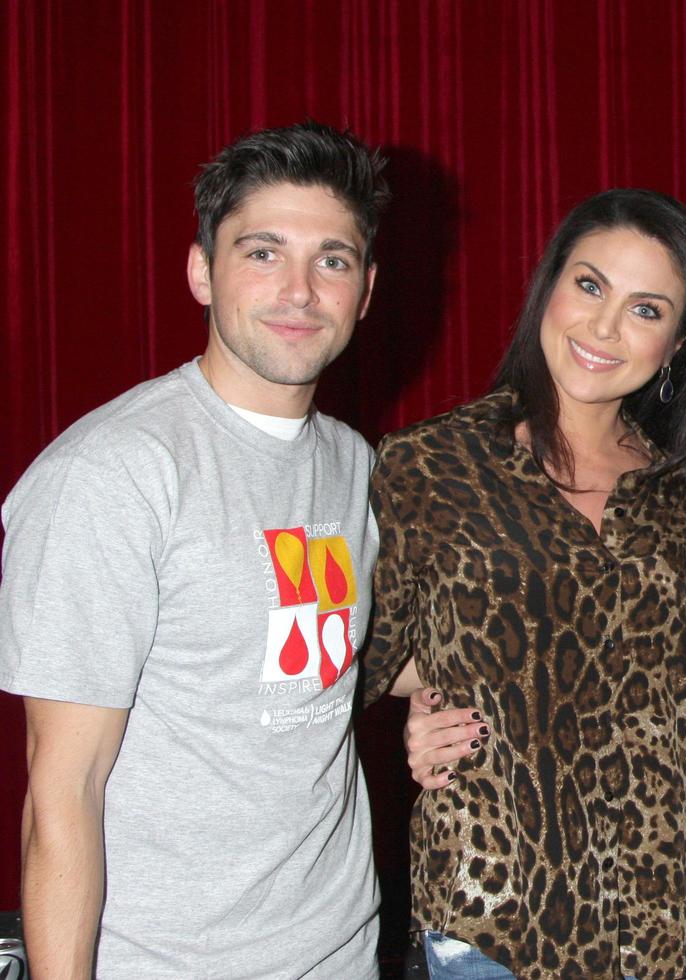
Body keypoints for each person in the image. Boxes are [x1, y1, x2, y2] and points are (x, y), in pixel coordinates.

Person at [0, 121, 388, 978]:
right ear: (200, 272)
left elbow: (323, 665)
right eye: (261, 252)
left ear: (364, 292)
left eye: (332, 259)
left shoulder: (356, 466)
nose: (299, 289)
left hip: (340, 950)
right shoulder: (111, 477)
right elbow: (62, 795)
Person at [359, 188, 686, 980]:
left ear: (677, 342)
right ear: (551, 287)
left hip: (671, 920)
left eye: (646, 309)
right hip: (495, 917)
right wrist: (434, 700)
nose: (604, 328)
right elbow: (357, 662)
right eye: (590, 285)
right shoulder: (431, 465)